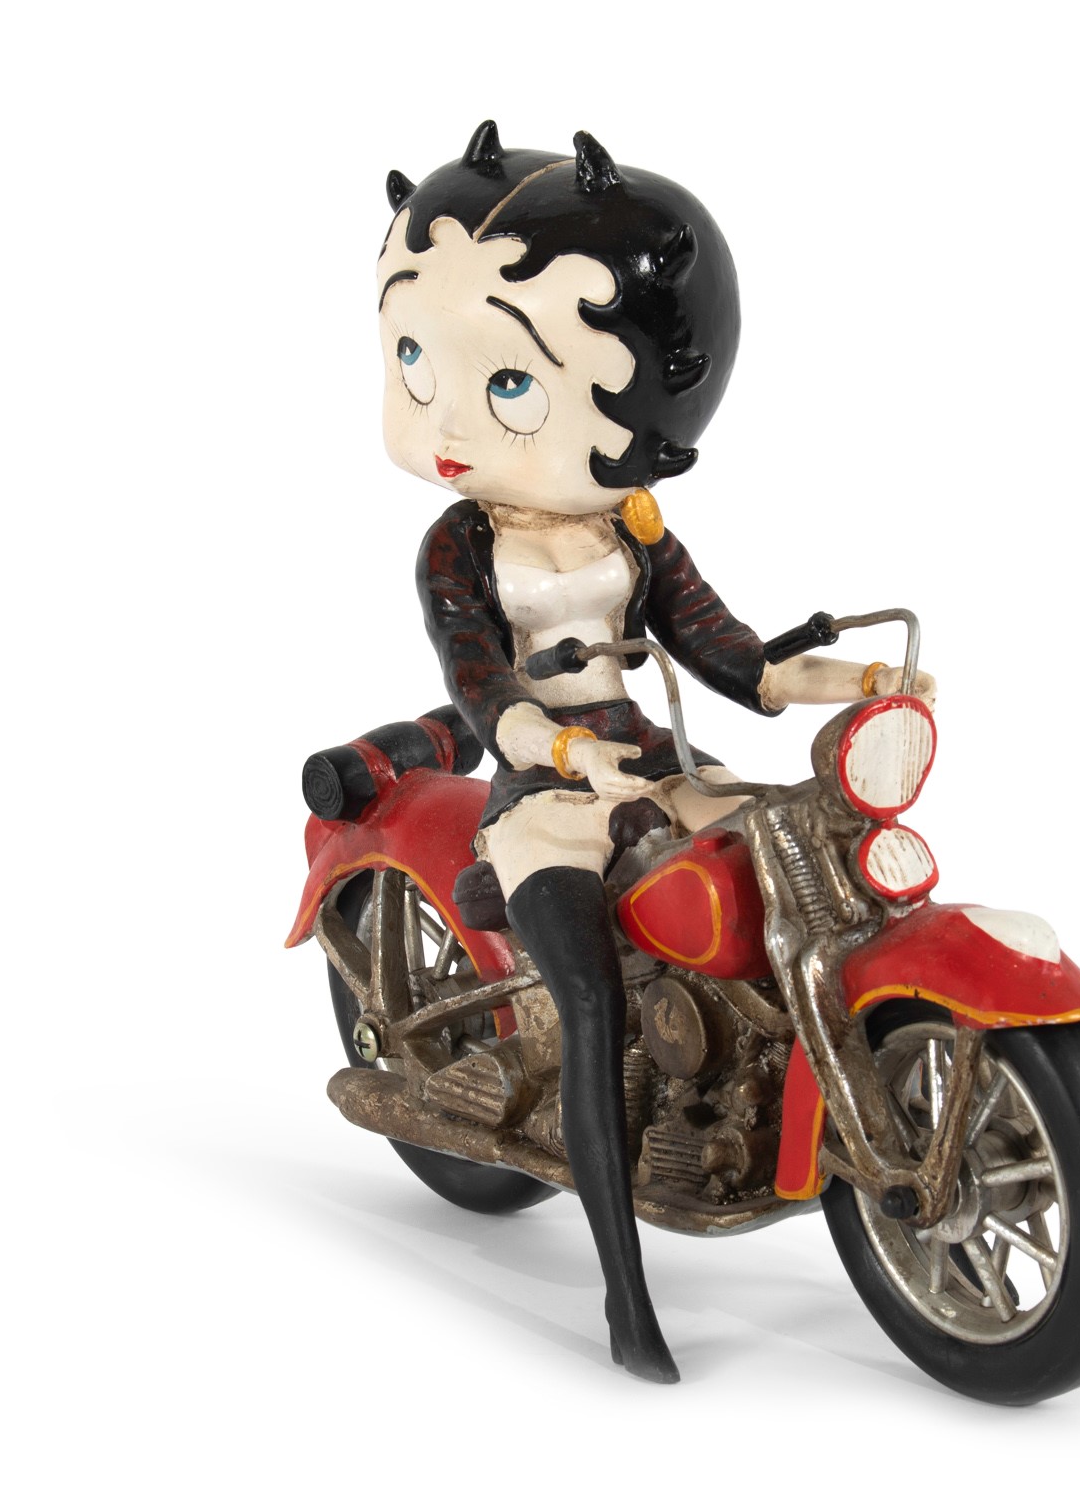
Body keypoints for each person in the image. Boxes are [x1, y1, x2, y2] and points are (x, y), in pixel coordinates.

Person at [377, 122, 929, 1382]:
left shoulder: (633, 528)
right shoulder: (459, 544)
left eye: (506, 383)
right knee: (592, 999)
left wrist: (855, 679)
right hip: (543, 793)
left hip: (654, 761)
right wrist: (558, 745)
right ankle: (626, 1294)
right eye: (412, 356)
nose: (445, 413)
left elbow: (732, 655)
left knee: (807, 862)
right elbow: (480, 684)